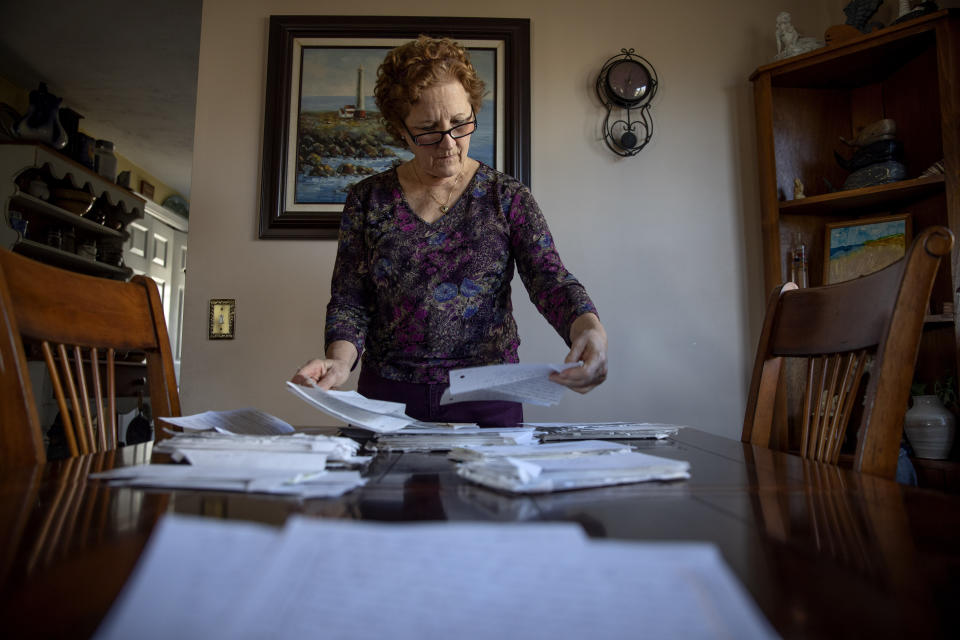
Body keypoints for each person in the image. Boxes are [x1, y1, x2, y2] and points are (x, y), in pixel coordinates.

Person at [292, 36, 607, 426]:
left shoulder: (506, 197)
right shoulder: (368, 199)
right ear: (400, 131)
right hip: (389, 397)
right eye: (427, 130)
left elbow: (551, 280)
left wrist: (590, 330)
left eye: (460, 123)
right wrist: (339, 363)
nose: (449, 144)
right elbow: (350, 299)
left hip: (488, 394)